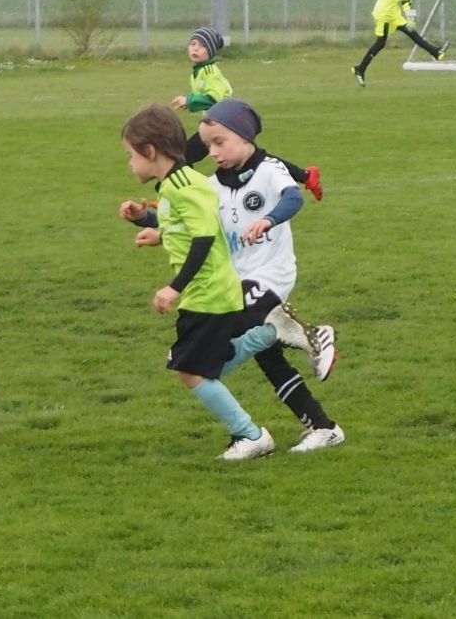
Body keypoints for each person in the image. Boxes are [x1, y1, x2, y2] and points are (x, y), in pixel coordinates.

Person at [123, 100, 343, 453]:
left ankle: (305, 334)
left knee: (205, 357)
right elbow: (194, 226)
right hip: (236, 277)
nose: (212, 152)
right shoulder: (211, 185)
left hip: (271, 275)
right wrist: (148, 223)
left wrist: (269, 219)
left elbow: (293, 198)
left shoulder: (269, 169)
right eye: (207, 145)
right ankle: (322, 426)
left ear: (245, 137)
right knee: (265, 355)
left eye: (220, 142)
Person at [171, 27, 324, 201]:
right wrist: (191, 104)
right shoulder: (198, 72)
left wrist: (189, 101)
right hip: (216, 125)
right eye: (193, 44)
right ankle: (305, 175)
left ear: (211, 51)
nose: (195, 48)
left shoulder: (210, 72)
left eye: (202, 45)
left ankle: (183, 198)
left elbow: (215, 98)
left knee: (183, 158)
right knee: (254, 160)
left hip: (225, 125)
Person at [351, 0, 450, 87]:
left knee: (412, 34)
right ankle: (360, 69)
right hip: (385, 14)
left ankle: (435, 52)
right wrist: (410, 18)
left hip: (393, 13)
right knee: (381, 43)